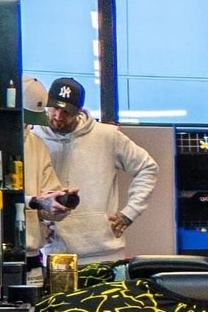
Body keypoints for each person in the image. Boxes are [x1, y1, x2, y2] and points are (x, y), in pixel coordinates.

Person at [23, 77, 157, 260]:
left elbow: (147, 167)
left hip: (105, 252)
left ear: (78, 111)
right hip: (55, 253)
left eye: (66, 111)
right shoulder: (34, 139)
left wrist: (129, 213)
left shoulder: (107, 136)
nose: (58, 116)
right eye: (54, 107)